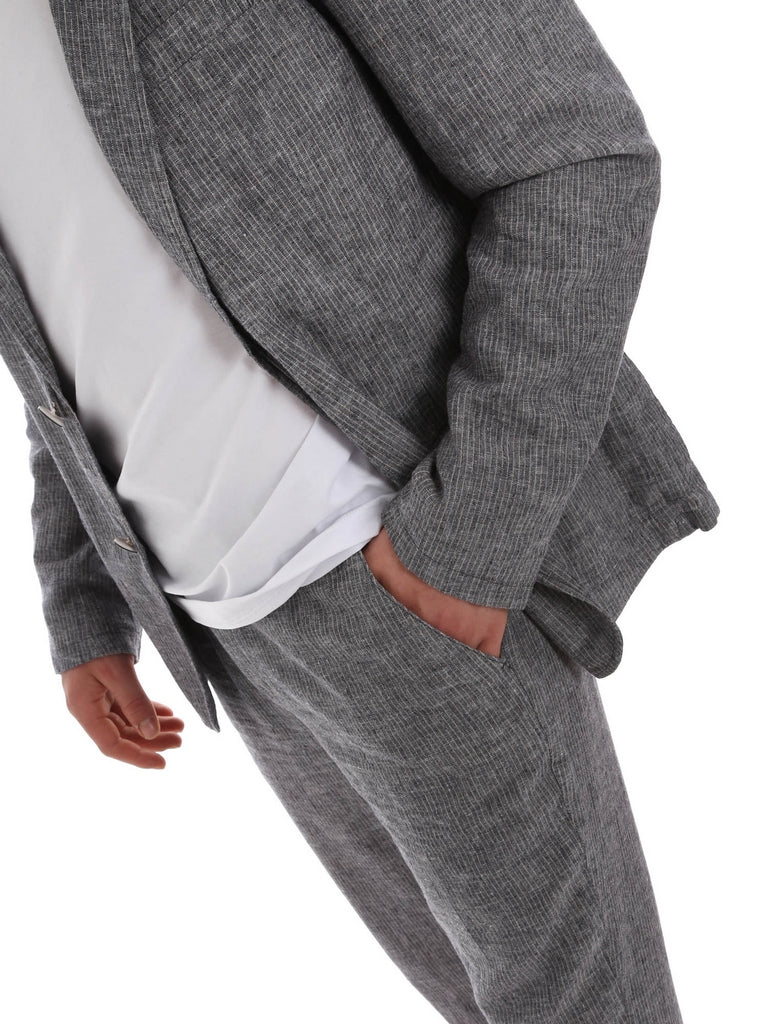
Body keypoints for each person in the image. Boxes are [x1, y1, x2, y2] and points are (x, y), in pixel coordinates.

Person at [0, 1, 720, 1021]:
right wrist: (83, 609)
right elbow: (72, 318)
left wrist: (468, 540)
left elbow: (578, 155)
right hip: (226, 630)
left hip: (392, 547)